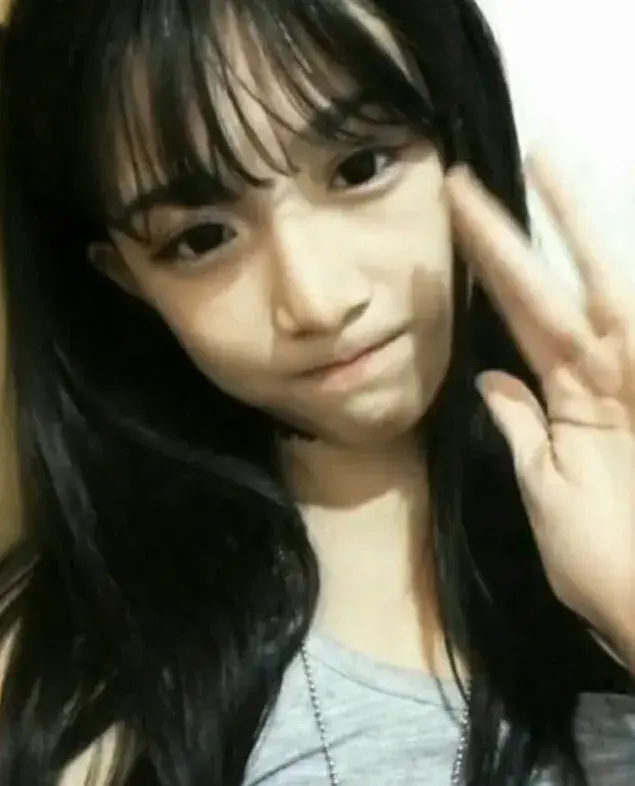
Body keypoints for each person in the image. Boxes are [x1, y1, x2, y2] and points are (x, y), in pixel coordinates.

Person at [0, 0, 632, 784]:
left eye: (360, 167)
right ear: (125, 280)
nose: (316, 300)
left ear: (456, 128)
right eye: (201, 238)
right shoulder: (79, 681)